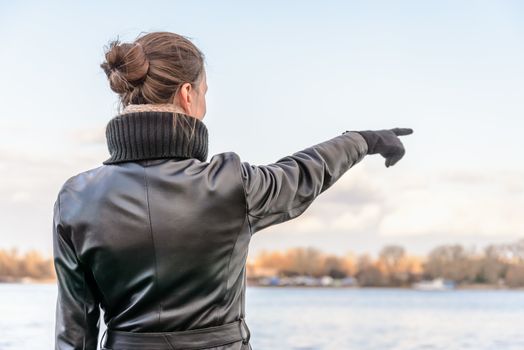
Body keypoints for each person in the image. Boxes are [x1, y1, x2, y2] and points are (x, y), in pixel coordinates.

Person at [52, 31, 413, 350]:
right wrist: (363, 140)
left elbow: (75, 331)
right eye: (205, 92)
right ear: (187, 95)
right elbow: (305, 172)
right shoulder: (231, 184)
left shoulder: (76, 197)